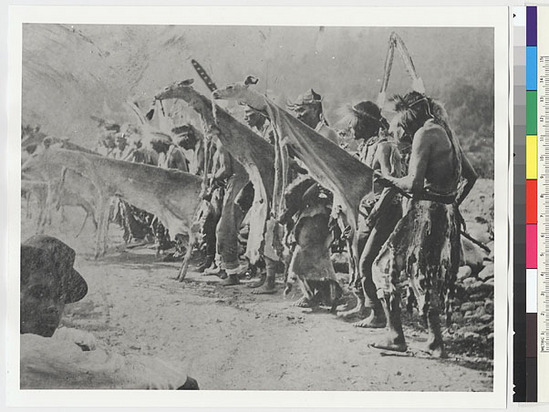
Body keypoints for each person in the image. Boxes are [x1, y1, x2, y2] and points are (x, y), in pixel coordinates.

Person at [371, 91, 477, 357]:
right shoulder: (446, 131)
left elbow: (414, 183)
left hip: (425, 213)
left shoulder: (424, 135)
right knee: (425, 275)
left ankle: (396, 336)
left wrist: (388, 179)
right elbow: (471, 176)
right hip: (443, 212)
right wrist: (451, 203)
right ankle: (435, 342)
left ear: (410, 116)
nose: (403, 131)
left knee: (383, 266)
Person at [20, 235, 198, 389]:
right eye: (38, 293)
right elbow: (180, 383)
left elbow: (64, 337)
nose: (53, 306)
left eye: (60, 297)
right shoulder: (33, 352)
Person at [337, 101, 403, 328]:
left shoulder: (384, 147)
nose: (351, 127)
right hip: (368, 214)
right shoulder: (366, 147)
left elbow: (391, 184)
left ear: (364, 124)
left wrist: (375, 211)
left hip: (384, 214)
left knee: (367, 263)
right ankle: (367, 305)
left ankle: (378, 314)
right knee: (358, 259)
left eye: (354, 123)